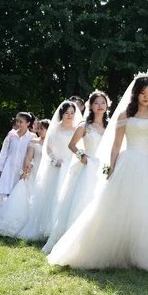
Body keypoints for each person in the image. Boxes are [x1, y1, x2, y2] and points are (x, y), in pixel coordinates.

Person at [48, 73, 148, 272]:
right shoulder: (125, 114)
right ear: (136, 93)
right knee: (120, 207)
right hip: (129, 161)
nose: (146, 96)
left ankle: (146, 252)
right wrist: (112, 167)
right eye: (143, 92)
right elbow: (116, 145)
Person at [44, 90, 109, 252]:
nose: (100, 106)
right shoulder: (84, 126)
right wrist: (82, 157)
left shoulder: (110, 126)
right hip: (87, 166)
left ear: (107, 105)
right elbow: (72, 145)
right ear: (91, 106)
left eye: (103, 103)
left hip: (105, 167)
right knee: (83, 200)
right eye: (96, 103)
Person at [18, 101, 82, 242]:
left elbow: (80, 146)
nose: (70, 116)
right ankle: (50, 228)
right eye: (67, 113)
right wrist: (55, 160)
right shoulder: (55, 128)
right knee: (54, 195)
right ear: (62, 114)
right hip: (57, 166)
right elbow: (48, 148)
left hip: (72, 165)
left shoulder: (77, 129)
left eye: (72, 113)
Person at [0, 120, 49, 238]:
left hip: (46, 173)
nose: (39, 131)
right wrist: (25, 170)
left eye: (42, 129)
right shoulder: (33, 141)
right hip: (34, 171)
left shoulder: (52, 143)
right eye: (39, 129)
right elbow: (28, 157)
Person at [0, 112, 36, 223]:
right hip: (9, 168)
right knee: (6, 192)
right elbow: (4, 152)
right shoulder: (11, 135)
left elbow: (34, 154)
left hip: (22, 169)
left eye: (21, 121)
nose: (18, 124)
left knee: (17, 193)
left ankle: (15, 219)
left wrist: (28, 168)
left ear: (28, 123)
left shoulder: (32, 137)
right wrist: (0, 169)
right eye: (17, 121)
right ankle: (1, 218)